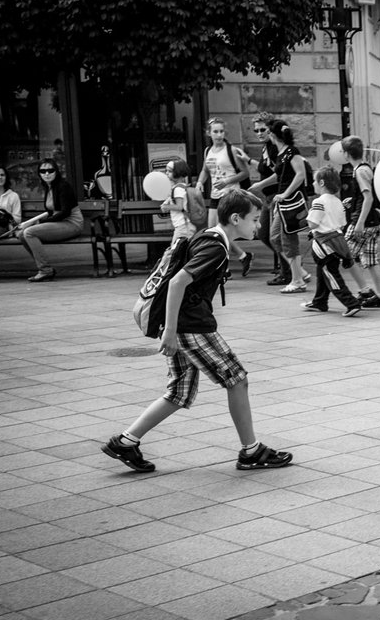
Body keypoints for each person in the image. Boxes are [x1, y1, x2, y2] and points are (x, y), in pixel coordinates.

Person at [102, 190, 294, 473]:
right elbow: (179, 282)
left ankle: (125, 442)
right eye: (255, 219)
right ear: (236, 218)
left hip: (182, 323)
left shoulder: (211, 236)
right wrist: (170, 330)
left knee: (179, 392)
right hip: (190, 326)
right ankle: (251, 451)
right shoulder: (215, 247)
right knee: (237, 380)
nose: (258, 226)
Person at [252, 118, 312, 292]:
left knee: (288, 239)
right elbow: (281, 176)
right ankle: (299, 274)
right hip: (283, 201)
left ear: (272, 135)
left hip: (290, 201)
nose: (263, 135)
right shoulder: (281, 153)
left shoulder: (292, 152)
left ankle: (297, 280)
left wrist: (285, 193)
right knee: (275, 237)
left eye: (267, 132)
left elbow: (300, 175)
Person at [301, 166, 362, 317]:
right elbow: (341, 223)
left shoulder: (318, 201)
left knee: (330, 274)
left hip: (324, 244)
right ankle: (319, 302)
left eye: (315, 182)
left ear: (321, 183)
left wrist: (309, 215)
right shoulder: (338, 202)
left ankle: (351, 303)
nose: (313, 184)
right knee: (323, 272)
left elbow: (313, 224)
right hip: (337, 241)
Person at [196, 118, 253, 276]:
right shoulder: (208, 151)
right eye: (215, 131)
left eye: (221, 131)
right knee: (214, 232)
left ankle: (223, 268)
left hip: (229, 194)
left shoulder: (231, 151)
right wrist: (200, 183)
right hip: (215, 194)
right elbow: (205, 170)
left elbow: (245, 173)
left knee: (220, 233)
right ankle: (243, 256)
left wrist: (227, 181)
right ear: (209, 133)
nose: (219, 135)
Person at [342, 135, 380, 308]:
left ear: (347, 154)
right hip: (373, 222)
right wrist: (352, 201)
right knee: (371, 260)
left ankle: (364, 290)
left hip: (363, 223)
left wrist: (359, 223)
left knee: (344, 255)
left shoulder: (359, 171)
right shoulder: (365, 168)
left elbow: (368, 198)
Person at [13, 159, 84, 282]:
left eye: (50, 170)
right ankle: (45, 268)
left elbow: (65, 212)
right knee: (21, 234)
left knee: (29, 233)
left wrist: (41, 223)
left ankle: (45, 270)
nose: (47, 173)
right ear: (39, 173)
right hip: (60, 223)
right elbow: (52, 212)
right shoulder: (48, 187)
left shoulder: (63, 186)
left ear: (56, 171)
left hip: (72, 223)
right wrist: (35, 222)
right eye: (43, 171)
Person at [244, 112, 294, 285]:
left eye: (262, 129)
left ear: (270, 129)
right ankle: (289, 266)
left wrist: (259, 186)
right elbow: (264, 167)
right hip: (269, 197)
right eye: (256, 130)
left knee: (275, 236)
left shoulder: (274, 147)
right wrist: (247, 160)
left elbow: (278, 174)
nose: (258, 133)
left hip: (276, 195)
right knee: (263, 233)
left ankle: (288, 271)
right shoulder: (266, 147)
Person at [160, 160, 197, 245]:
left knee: (175, 250)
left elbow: (179, 206)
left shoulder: (177, 189)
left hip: (183, 226)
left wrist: (166, 207)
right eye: (166, 171)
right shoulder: (182, 186)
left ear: (177, 172)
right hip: (184, 225)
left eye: (169, 171)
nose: (167, 173)